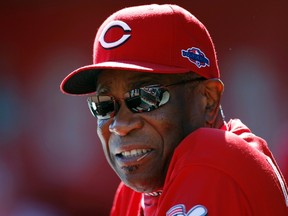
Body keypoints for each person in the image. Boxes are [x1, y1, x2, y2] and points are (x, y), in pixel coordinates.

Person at [60, 4, 288, 215]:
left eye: (145, 97)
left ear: (208, 99)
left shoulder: (213, 159)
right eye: (104, 105)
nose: (120, 125)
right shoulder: (134, 193)